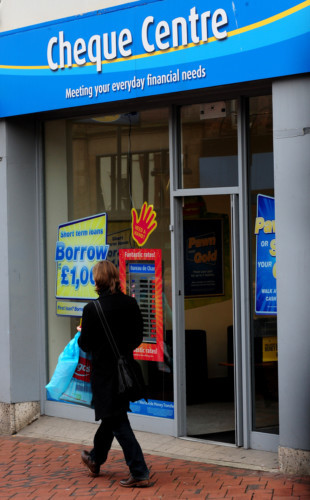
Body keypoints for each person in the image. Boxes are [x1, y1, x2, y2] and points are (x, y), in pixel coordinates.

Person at [78, 260, 150, 488]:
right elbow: (138, 336)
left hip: (105, 375)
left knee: (117, 421)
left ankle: (139, 472)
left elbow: (85, 344)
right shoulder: (130, 303)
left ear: (97, 281)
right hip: (125, 370)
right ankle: (95, 458)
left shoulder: (92, 309)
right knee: (112, 417)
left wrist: (83, 333)